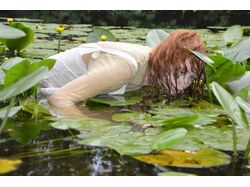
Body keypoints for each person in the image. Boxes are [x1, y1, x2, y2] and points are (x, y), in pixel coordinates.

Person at [38, 29, 206, 118]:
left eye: (191, 77)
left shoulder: (155, 66)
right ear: (166, 61)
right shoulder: (126, 66)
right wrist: (93, 126)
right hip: (29, 86)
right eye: (180, 72)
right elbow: (59, 99)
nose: (184, 85)